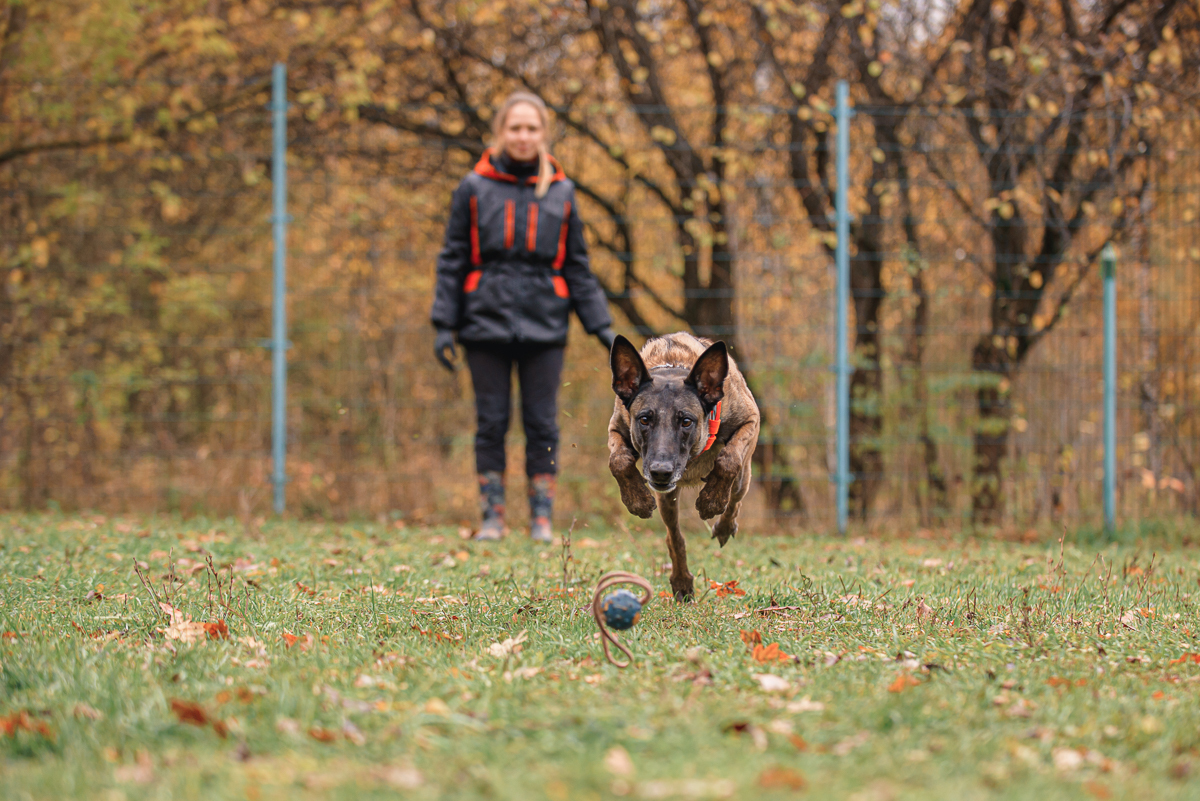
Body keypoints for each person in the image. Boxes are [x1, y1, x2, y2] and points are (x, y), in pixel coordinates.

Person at [430, 91, 615, 542]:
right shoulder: (473, 189)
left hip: (545, 324)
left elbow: (577, 266)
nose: (523, 136)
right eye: (515, 127)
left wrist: (603, 328)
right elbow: (453, 258)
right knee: (491, 421)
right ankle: (492, 517)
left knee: (543, 423)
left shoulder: (562, 192)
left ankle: (542, 520)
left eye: (532, 128)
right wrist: (442, 322)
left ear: (543, 135)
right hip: (483, 323)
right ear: (500, 133)